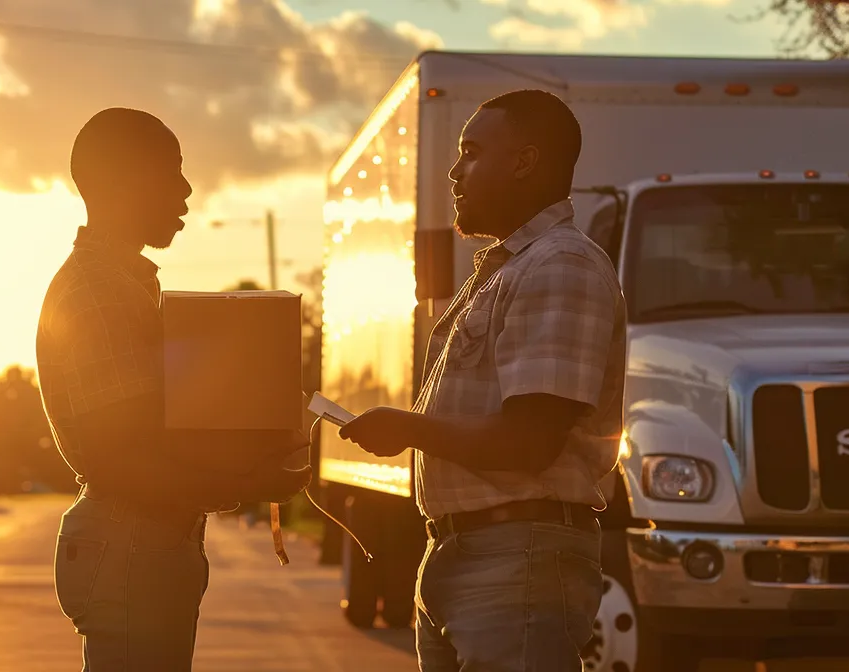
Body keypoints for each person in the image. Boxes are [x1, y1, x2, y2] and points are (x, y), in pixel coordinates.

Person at [337, 90, 626, 671]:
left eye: (471, 151)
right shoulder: (508, 268)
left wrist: (408, 429)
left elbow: (529, 442)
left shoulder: (559, 266)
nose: (454, 171)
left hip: (516, 557)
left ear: (524, 162)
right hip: (468, 553)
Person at [36, 107, 313, 671]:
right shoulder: (100, 293)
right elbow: (122, 458)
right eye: (172, 171)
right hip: (132, 540)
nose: (187, 191)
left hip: (141, 541)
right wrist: (244, 481)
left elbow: (156, 428)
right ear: (123, 181)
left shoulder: (123, 287)